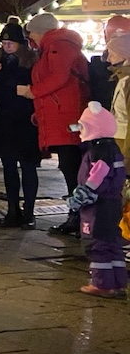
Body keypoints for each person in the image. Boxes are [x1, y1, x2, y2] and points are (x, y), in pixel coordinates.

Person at [23, 12, 89, 237]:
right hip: (62, 116)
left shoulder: (58, 46)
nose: (30, 37)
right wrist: (39, 113)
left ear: (41, 31)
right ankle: (76, 216)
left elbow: (58, 79)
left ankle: (79, 218)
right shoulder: (54, 46)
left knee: (73, 169)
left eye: (31, 32)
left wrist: (33, 92)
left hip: (68, 119)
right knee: (70, 168)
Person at [66, 101, 126, 298]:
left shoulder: (98, 152)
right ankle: (117, 281)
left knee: (97, 244)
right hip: (112, 203)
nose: (80, 130)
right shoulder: (113, 149)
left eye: (83, 126)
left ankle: (101, 284)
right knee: (112, 244)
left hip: (97, 208)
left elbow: (96, 179)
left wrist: (80, 197)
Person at [0, 18, 39, 229]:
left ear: (20, 43)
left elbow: (30, 88)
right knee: (8, 167)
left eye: (11, 43)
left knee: (28, 166)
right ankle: (13, 210)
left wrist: (10, 86)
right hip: (4, 120)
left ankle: (30, 212)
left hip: (25, 120)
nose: (7, 47)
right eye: (4, 43)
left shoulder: (31, 62)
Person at [107, 32, 130, 160]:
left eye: (112, 53)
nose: (108, 58)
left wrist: (128, 155)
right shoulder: (122, 77)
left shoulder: (127, 80)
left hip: (125, 140)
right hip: (121, 138)